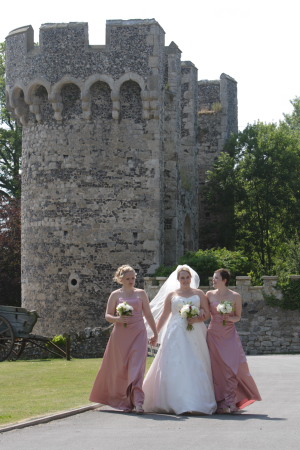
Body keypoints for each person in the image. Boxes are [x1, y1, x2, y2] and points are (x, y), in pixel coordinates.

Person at [142, 265, 217, 415]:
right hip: (175, 331)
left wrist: (196, 318)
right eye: (182, 278)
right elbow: (164, 315)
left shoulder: (199, 293)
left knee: (196, 362)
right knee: (174, 362)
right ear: (178, 279)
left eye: (187, 277)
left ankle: (196, 401)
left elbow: (207, 313)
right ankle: (173, 401)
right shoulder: (172, 295)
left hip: (195, 331)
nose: (185, 280)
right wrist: (156, 334)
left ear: (191, 278)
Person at [89, 265, 158, 414]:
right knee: (121, 368)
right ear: (121, 279)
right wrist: (118, 319)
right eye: (128, 278)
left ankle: (139, 402)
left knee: (137, 367)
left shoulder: (141, 293)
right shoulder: (115, 295)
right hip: (120, 335)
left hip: (139, 333)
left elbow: (148, 315)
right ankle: (124, 401)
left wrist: (155, 333)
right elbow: (107, 315)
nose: (131, 281)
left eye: (133, 278)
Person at [207, 268, 262, 414]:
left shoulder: (235, 296)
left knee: (232, 367)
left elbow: (238, 316)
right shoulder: (209, 295)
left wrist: (229, 318)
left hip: (229, 334)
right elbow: (206, 313)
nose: (213, 280)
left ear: (224, 280)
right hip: (213, 334)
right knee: (217, 370)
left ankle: (231, 401)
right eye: (213, 278)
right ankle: (221, 402)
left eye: (216, 278)